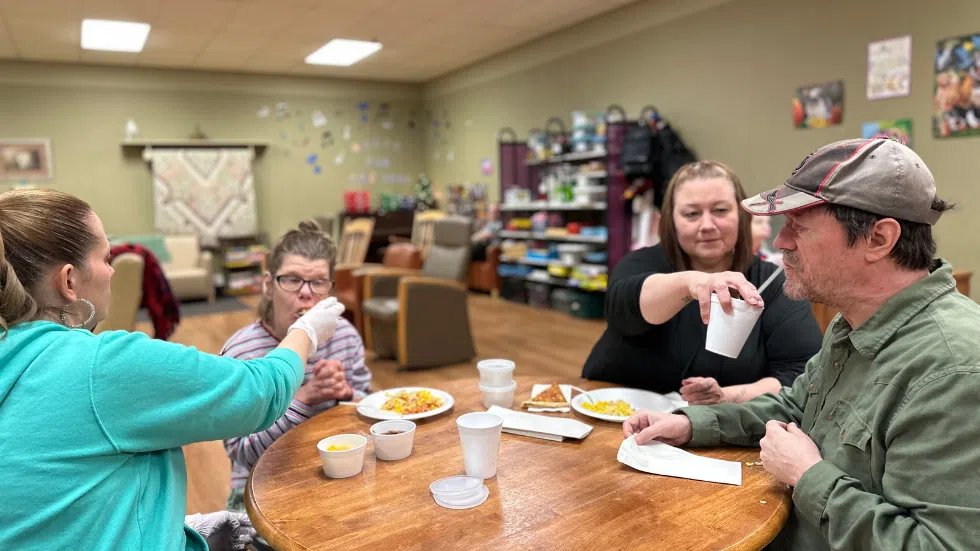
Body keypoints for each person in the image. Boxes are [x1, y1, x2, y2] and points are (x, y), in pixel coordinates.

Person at [624, 138, 980, 550]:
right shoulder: (853, 323)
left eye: (799, 225)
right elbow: (797, 406)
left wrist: (808, 475)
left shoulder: (954, 371)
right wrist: (691, 424)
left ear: (879, 239)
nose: (781, 242)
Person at [0, 189, 345, 550]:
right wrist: (306, 332)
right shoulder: (99, 366)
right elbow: (259, 392)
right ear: (68, 280)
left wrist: (181, 530)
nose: (112, 270)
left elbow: (66, 508)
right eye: (106, 257)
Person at [582, 161, 821, 405]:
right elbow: (625, 306)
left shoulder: (772, 283)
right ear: (669, 221)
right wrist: (693, 283)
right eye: (691, 214)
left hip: (720, 429)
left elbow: (800, 373)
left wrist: (723, 397)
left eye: (720, 210)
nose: (707, 225)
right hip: (615, 414)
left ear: (742, 215)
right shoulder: (641, 263)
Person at [221, 220, 371, 511]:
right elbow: (242, 452)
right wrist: (304, 399)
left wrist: (346, 393)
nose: (306, 293)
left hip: (336, 473)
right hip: (262, 488)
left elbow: (367, 409)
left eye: (318, 282)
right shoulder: (241, 352)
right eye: (291, 280)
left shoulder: (345, 335)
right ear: (268, 285)